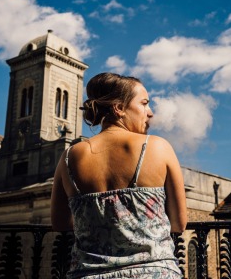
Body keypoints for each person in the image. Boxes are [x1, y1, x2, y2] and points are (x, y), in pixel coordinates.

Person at [51, 72, 187, 279]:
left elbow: (60, 223)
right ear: (119, 108)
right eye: (144, 104)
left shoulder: (70, 157)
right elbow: (178, 223)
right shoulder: (157, 147)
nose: (149, 113)